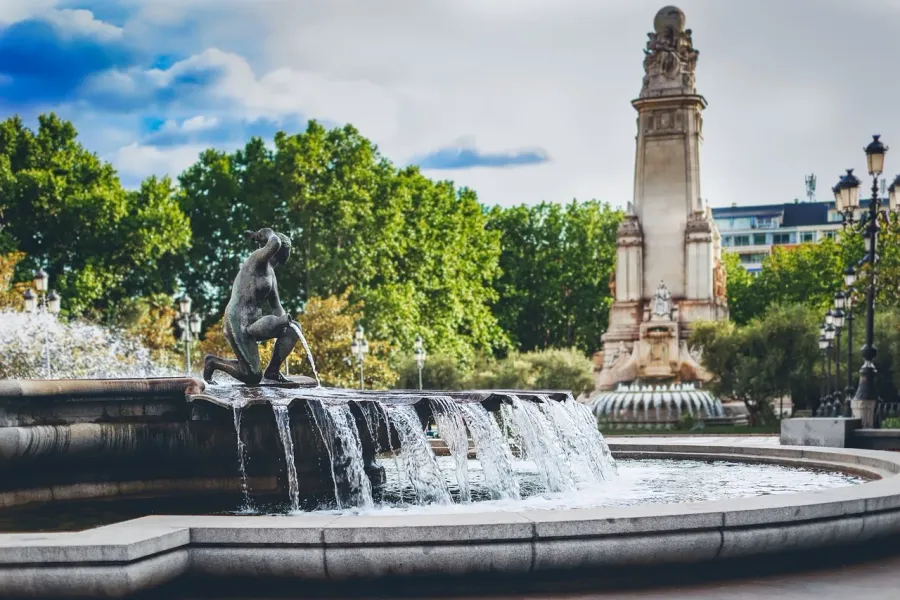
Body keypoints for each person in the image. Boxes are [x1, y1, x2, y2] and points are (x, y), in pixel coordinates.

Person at [203, 228, 300, 385]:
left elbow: (276, 306)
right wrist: (262, 234)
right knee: (253, 376)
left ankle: (273, 371)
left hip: (255, 323)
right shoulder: (256, 259)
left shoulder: (271, 274)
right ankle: (213, 362)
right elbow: (275, 241)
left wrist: (282, 324)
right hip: (237, 319)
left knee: (293, 328)